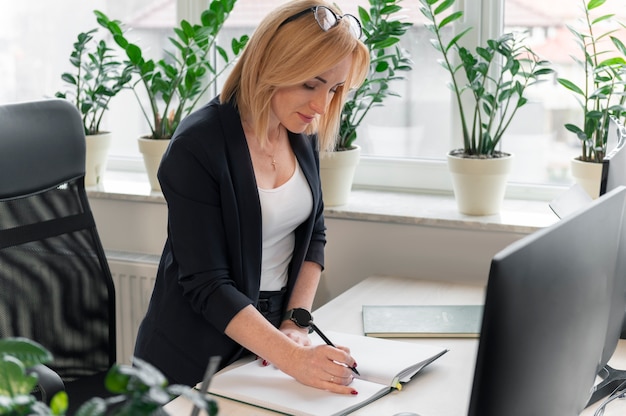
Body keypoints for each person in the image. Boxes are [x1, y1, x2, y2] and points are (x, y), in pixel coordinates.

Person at [133, 0, 370, 395]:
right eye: (311, 83)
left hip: (271, 343)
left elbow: (314, 237)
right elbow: (208, 284)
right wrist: (291, 358)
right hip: (193, 358)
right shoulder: (197, 146)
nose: (322, 106)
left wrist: (295, 324)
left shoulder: (301, 132)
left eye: (334, 89)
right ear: (270, 65)